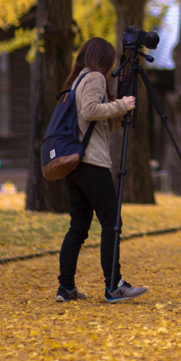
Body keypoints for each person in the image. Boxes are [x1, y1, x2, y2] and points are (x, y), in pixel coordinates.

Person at [56, 38, 148, 304]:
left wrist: (118, 111)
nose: (110, 68)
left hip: (74, 165)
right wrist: (122, 104)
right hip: (93, 164)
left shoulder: (76, 80)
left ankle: (66, 287)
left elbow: (98, 124)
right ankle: (113, 286)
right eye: (108, 61)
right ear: (102, 59)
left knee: (78, 228)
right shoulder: (95, 77)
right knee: (112, 223)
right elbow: (91, 111)